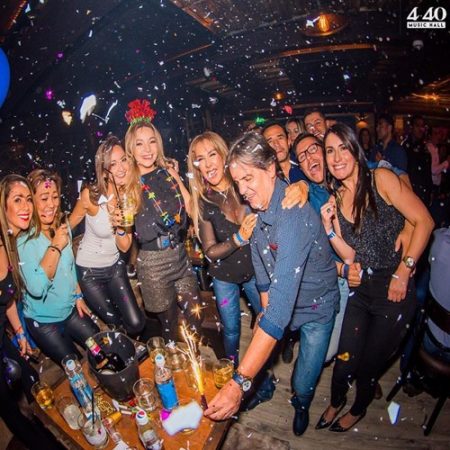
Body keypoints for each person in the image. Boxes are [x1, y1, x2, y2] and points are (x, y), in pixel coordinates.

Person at [204, 132, 339, 438]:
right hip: (284, 301)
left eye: (248, 178)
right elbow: (263, 269)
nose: (242, 190)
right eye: (237, 182)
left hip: (316, 308)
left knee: (303, 379)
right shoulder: (257, 209)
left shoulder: (293, 215)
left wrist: (238, 384)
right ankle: (285, 344)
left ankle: (301, 404)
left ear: (270, 169)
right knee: (272, 332)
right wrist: (265, 310)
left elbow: (278, 312)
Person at [317, 123, 433, 432]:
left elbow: (424, 220)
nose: (337, 157)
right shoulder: (336, 197)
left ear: (355, 149)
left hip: (395, 290)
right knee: (344, 360)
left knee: (368, 368)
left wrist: (404, 270)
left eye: (343, 148)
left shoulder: (380, 179)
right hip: (362, 290)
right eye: (330, 151)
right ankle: (336, 400)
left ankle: (357, 409)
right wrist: (329, 229)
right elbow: (350, 255)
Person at [124, 99, 201, 342]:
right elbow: (123, 236)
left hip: (180, 256)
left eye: (152, 141)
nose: (147, 149)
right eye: (139, 144)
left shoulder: (169, 172)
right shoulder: (128, 184)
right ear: (131, 149)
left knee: (195, 316)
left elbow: (190, 206)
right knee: (169, 326)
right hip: (153, 264)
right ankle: (175, 361)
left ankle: (194, 355)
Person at [0, 174, 63, 450]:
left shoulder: (11, 243)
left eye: (28, 199)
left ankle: (55, 438)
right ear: (3, 207)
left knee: (33, 383)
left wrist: (19, 332)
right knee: (11, 410)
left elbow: (7, 299)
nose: (26, 206)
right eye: (17, 200)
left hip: (3, 339)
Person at [17, 169, 99, 365]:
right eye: (44, 198)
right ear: (31, 201)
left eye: (54, 197)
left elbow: (69, 268)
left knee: (100, 347)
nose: (51, 204)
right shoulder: (23, 242)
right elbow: (37, 289)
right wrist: (56, 246)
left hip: (71, 310)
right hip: (44, 322)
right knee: (75, 366)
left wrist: (78, 295)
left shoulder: (62, 227)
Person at [70, 136, 145, 337]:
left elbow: (124, 246)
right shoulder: (90, 196)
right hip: (89, 272)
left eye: (123, 160)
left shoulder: (130, 196)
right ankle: (125, 352)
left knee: (136, 323)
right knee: (115, 324)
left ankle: (127, 343)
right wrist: (72, 283)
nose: (121, 168)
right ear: (104, 171)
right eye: (113, 164)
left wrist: (119, 225)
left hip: (115, 267)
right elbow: (67, 228)